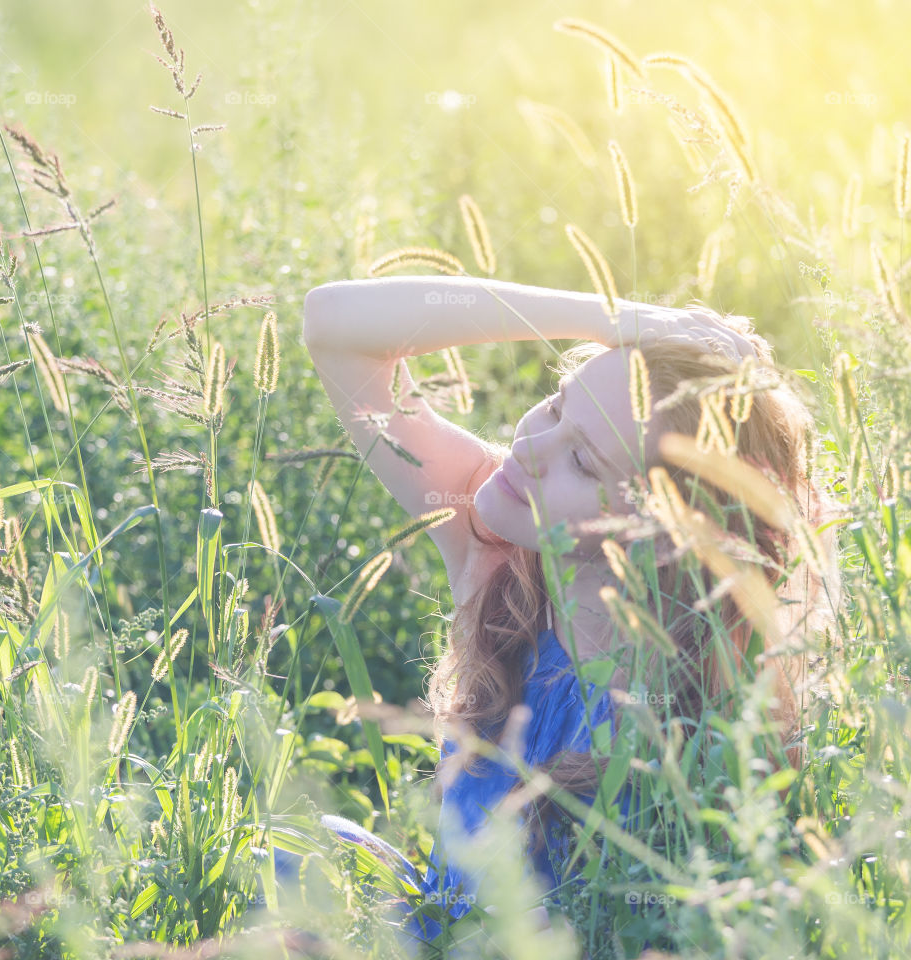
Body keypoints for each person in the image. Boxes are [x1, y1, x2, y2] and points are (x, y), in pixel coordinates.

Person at [291, 275, 839, 955]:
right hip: (432, 938)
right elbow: (333, 325)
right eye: (554, 407)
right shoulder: (496, 553)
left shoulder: (703, 717)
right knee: (292, 850)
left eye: (581, 458)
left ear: (666, 531)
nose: (529, 449)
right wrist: (620, 318)